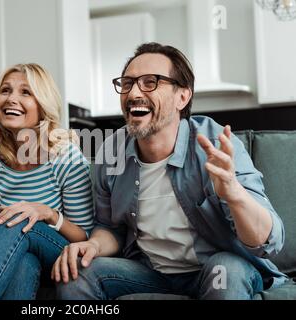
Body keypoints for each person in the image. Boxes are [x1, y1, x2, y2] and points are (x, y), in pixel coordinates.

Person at [51, 42, 288, 300]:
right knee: (78, 273)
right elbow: (110, 226)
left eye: (150, 82)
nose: (133, 93)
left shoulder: (214, 143)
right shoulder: (112, 152)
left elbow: (270, 238)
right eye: (128, 83)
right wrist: (93, 244)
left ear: (182, 97)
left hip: (215, 269)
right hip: (151, 273)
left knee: (225, 271)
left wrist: (234, 193)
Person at [0, 63, 94, 300]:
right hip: (22, 251)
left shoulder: (65, 157)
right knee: (23, 262)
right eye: (5, 90)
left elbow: (84, 237)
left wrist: (47, 213)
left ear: (42, 106)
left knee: (18, 219)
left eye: (26, 92)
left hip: (64, 254)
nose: (11, 99)